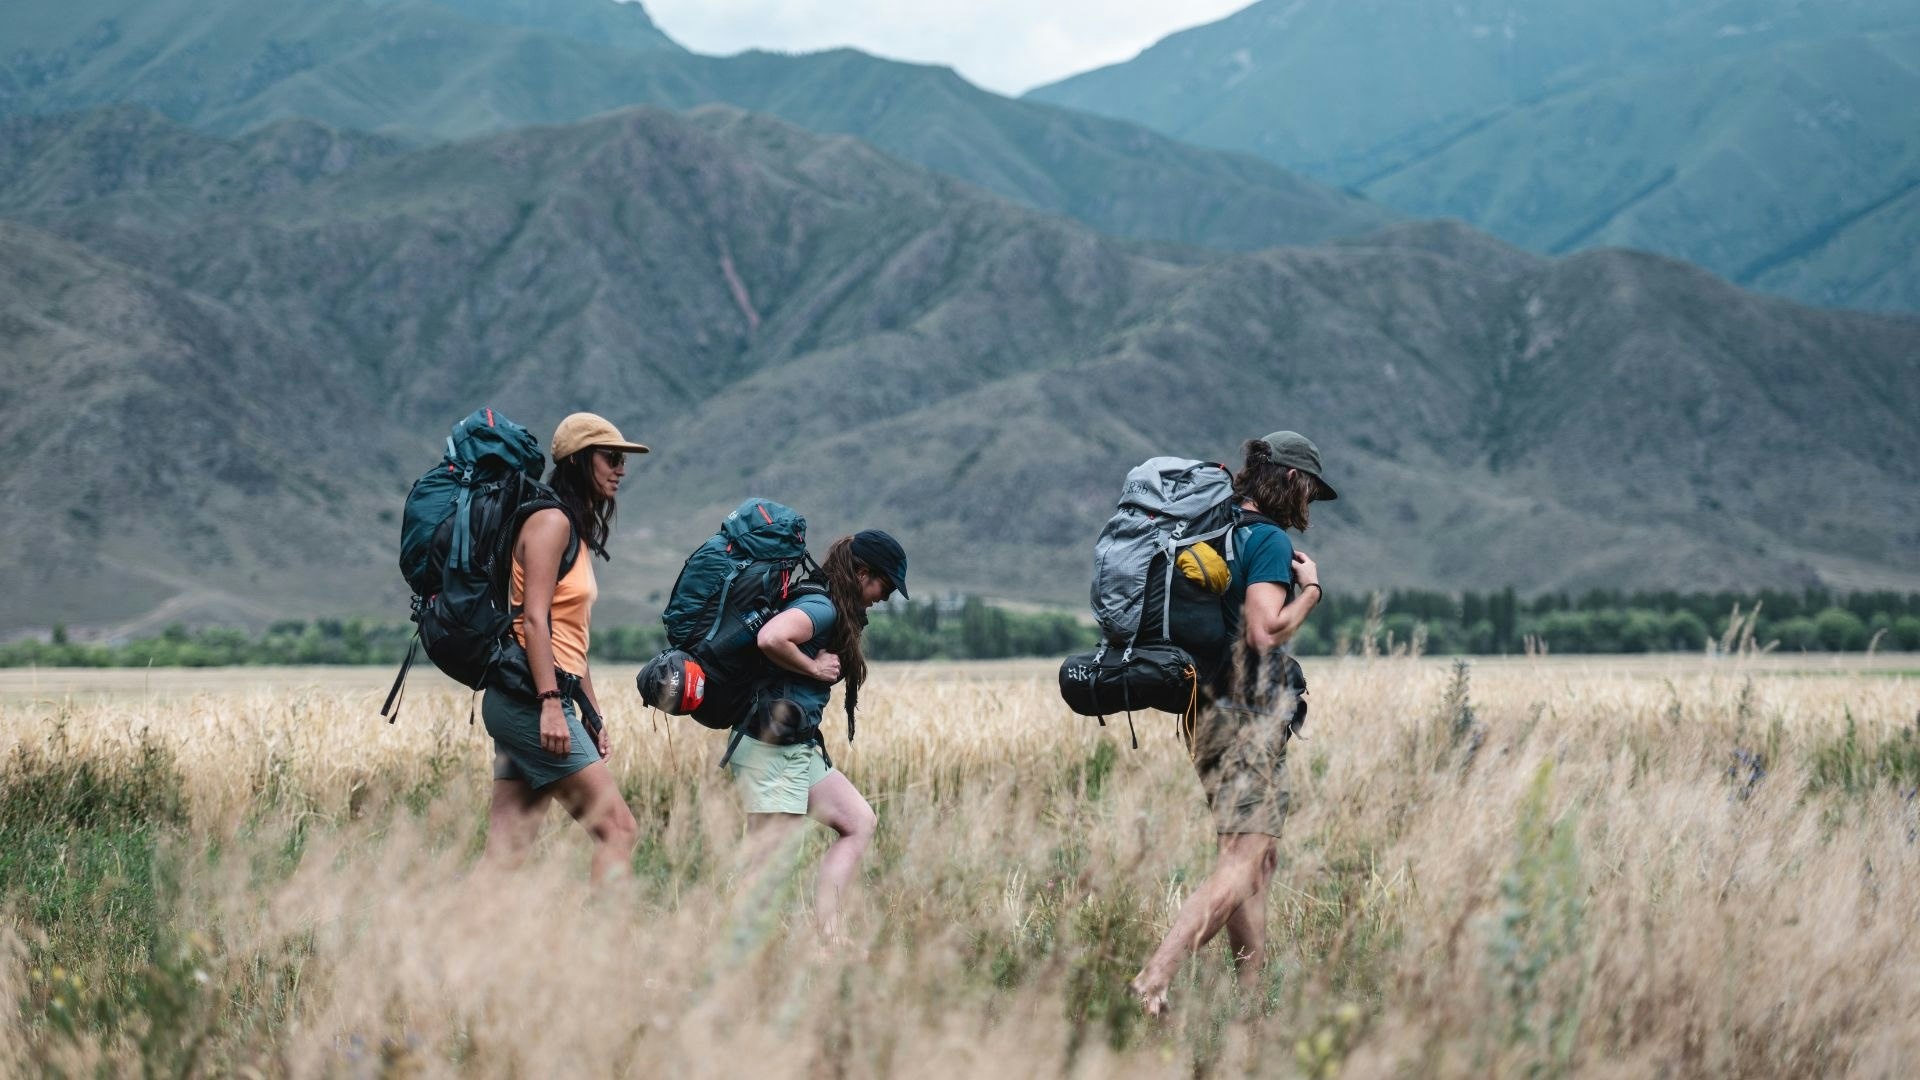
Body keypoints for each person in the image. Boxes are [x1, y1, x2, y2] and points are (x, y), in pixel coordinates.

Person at [1130, 431, 1335, 1014]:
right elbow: (1265, 631)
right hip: (1248, 714)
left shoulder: (1214, 530)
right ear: (1291, 479)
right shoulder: (1267, 539)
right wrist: (1311, 591)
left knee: (1255, 859)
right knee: (1245, 859)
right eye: (1310, 490)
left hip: (1205, 710)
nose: (1309, 503)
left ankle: (1249, 1007)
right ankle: (1153, 980)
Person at [481, 412, 646, 885]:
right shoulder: (550, 522)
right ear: (577, 460)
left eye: (623, 461)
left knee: (506, 854)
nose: (620, 469)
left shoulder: (573, 529)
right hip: (530, 702)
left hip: (529, 699)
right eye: (611, 458)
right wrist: (552, 705)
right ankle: (605, 932)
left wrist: (591, 715)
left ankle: (445, 932)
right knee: (618, 829)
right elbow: (534, 619)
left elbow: (572, 639)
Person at [733, 529, 908, 945]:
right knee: (769, 868)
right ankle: (736, 958)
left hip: (797, 747)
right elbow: (771, 637)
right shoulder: (822, 606)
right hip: (772, 749)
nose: (884, 598)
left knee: (859, 822)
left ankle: (830, 941)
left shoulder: (828, 605)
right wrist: (813, 668)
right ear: (863, 574)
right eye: (885, 586)